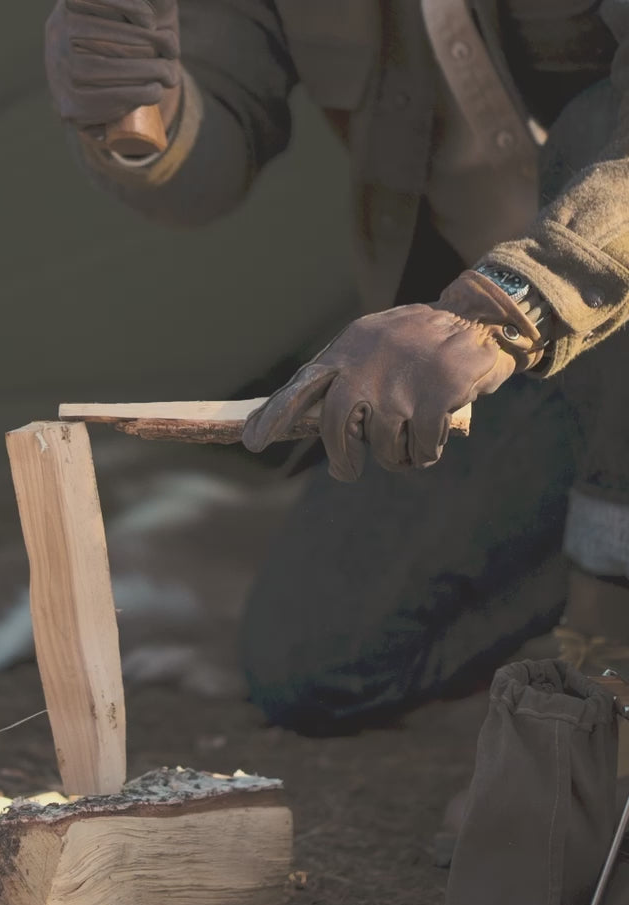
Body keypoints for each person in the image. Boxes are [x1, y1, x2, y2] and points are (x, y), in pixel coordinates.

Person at [43, 0, 629, 738]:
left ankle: (601, 681)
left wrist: (502, 306)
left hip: (560, 302)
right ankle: (582, 570)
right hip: (492, 358)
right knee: (316, 659)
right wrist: (132, 105)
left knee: (591, 123)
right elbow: (206, 169)